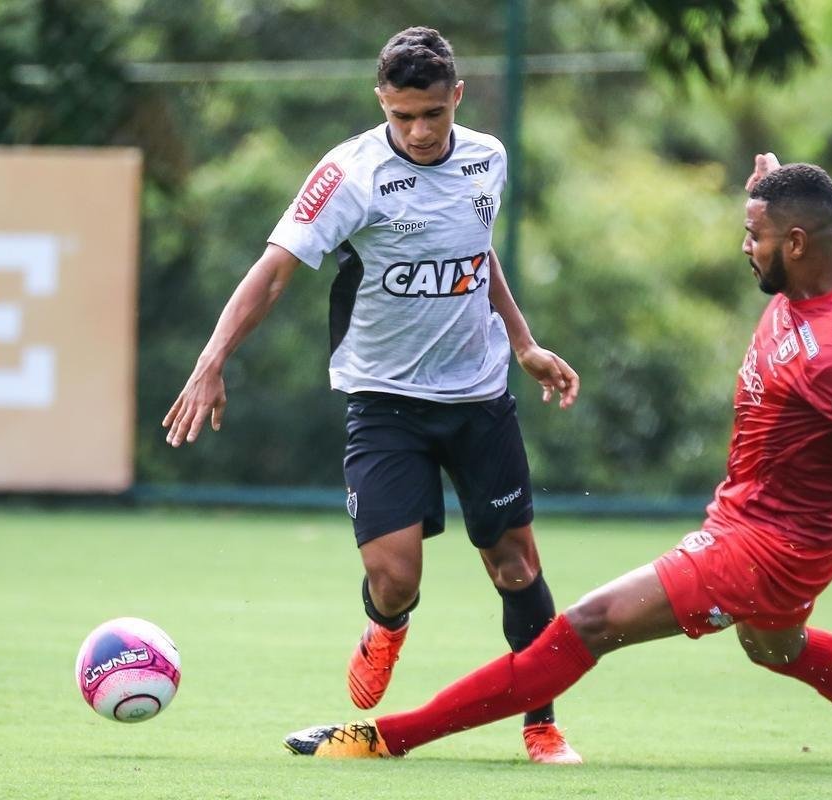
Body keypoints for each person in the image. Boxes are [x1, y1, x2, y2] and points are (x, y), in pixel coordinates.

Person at [282, 154, 832, 764]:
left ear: (797, 244)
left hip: (769, 542)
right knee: (776, 646)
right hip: (788, 519)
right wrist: (782, 196)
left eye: (756, 234)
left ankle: (389, 739)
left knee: (590, 624)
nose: (746, 246)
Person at [162, 27, 583, 764]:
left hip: (480, 399)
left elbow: (476, 255)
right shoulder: (348, 175)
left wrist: (523, 344)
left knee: (515, 566)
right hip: (384, 400)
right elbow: (272, 273)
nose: (418, 131)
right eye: (401, 116)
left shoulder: (488, 158)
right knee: (393, 578)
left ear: (457, 96)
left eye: (432, 114)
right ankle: (386, 628)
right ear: (380, 103)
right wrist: (211, 359)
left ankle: (541, 724)